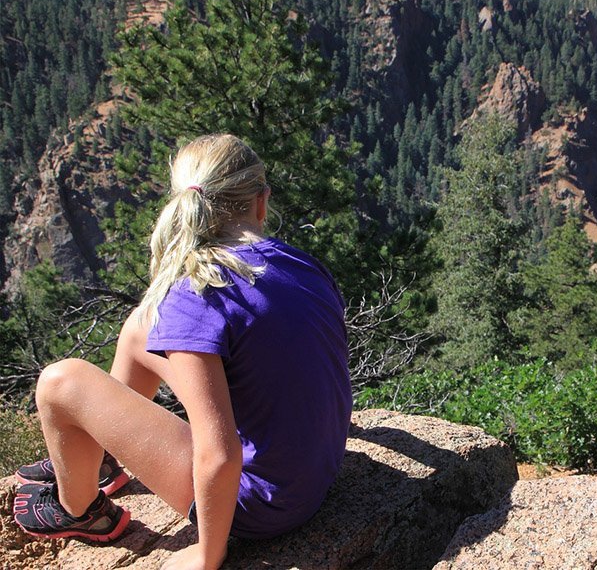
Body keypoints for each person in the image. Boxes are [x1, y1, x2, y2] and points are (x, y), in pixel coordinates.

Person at [12, 134, 352, 569]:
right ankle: (104, 459)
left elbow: (220, 453)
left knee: (60, 381)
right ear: (261, 202)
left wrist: (208, 555)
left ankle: (79, 511)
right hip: (315, 474)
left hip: (261, 506)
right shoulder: (300, 263)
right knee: (140, 327)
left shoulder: (196, 296)